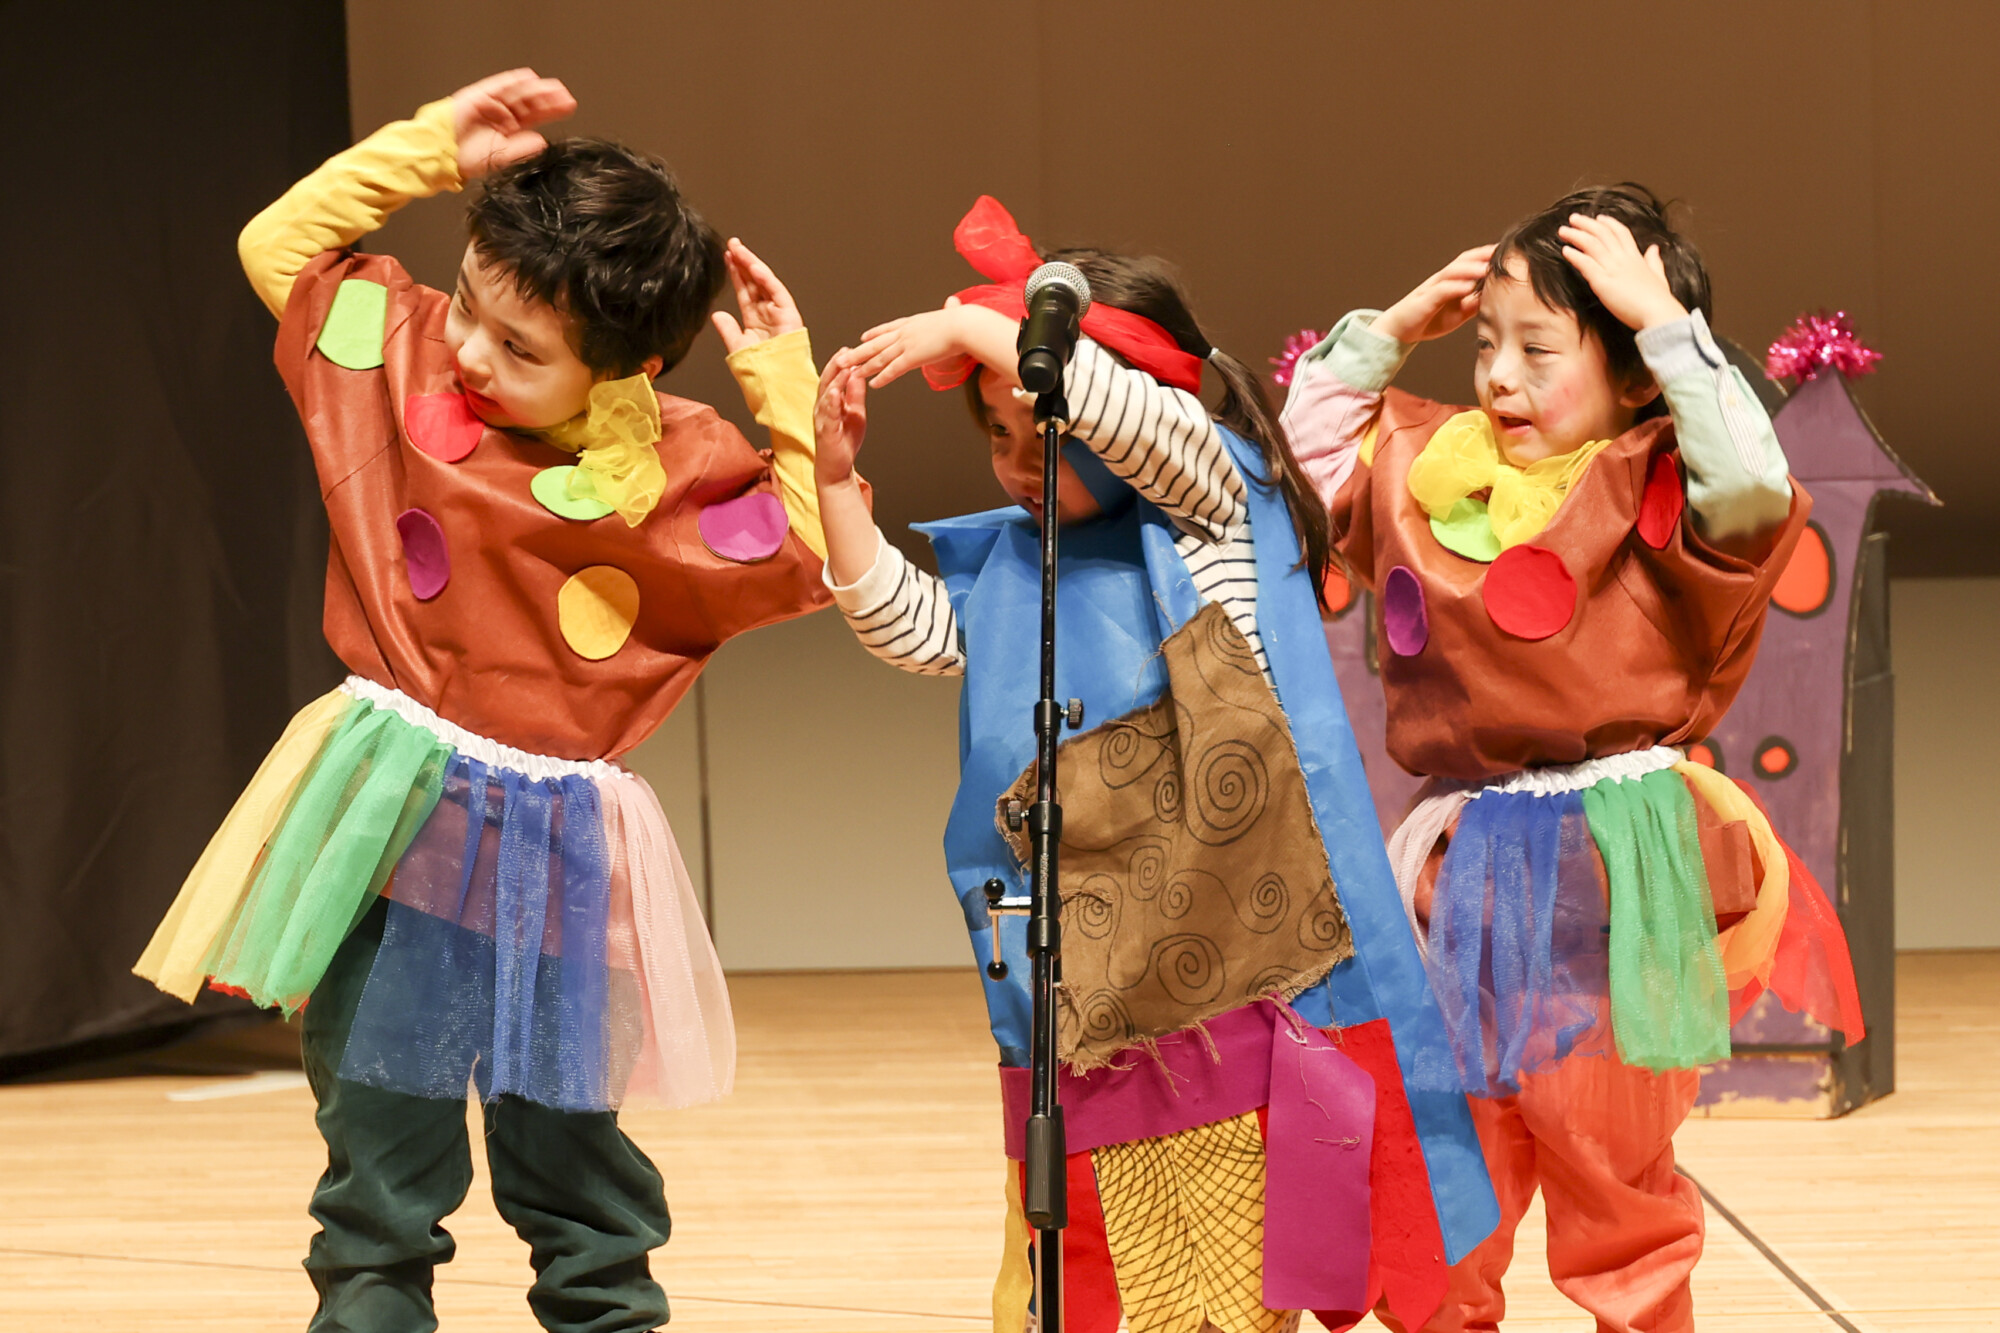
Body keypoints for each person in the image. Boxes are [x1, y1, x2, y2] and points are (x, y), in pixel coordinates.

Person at [134, 69, 833, 1333]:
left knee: (575, 1170)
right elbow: (277, 249)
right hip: (390, 826)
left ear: (627, 366)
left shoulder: (668, 467)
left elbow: (812, 545)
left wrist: (784, 379)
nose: (468, 351)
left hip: (554, 853)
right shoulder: (408, 367)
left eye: (521, 349)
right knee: (379, 1162)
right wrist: (427, 151)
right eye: (467, 305)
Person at [811, 196, 1497, 1333]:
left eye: (1042, 429)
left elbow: (1143, 424)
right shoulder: (1021, 560)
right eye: (997, 436)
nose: (1019, 462)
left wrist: (978, 329)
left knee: (1233, 1275)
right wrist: (837, 488)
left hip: (1234, 970)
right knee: (1112, 1266)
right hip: (1094, 975)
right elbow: (918, 631)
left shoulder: (1207, 508)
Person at [1282, 183, 1865, 1333]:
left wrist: (1665, 329)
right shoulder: (1434, 469)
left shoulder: (1664, 483)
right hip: (1460, 862)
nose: (1497, 375)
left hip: (1611, 862)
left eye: (1536, 349)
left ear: (1634, 376)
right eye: (1484, 345)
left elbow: (1752, 479)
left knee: (1611, 1162)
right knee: (1447, 1168)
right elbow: (1305, 460)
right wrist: (1388, 330)